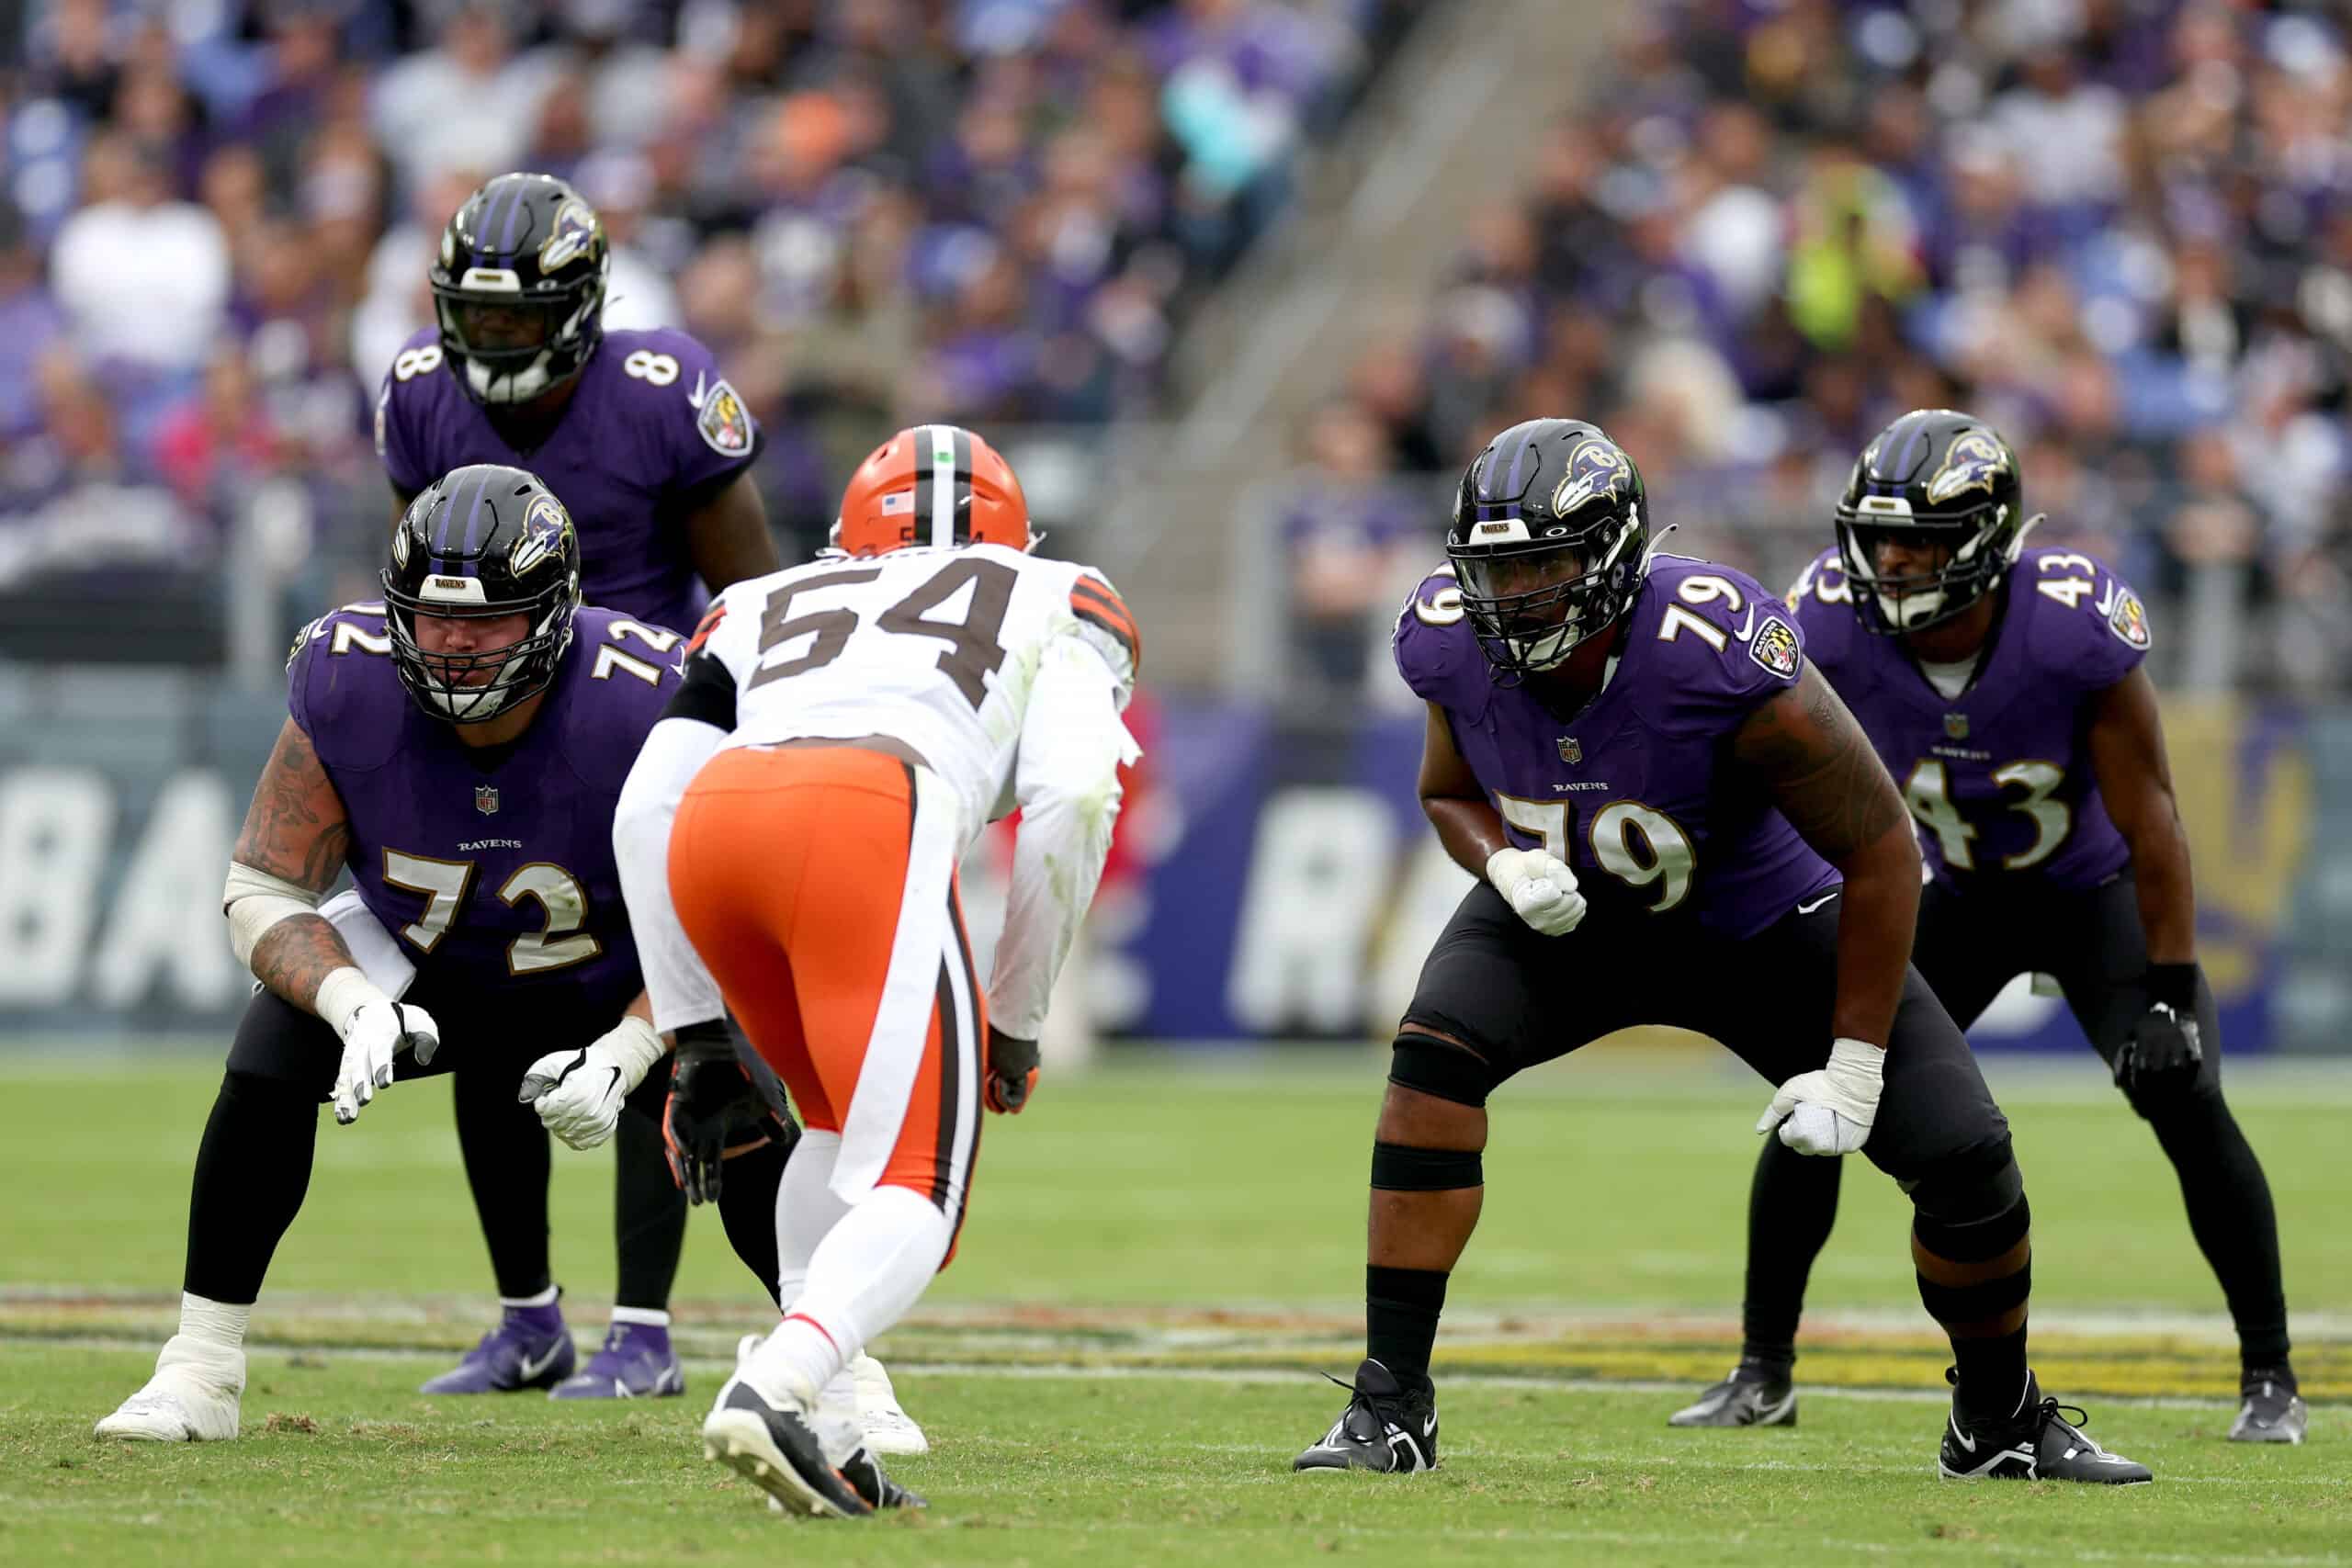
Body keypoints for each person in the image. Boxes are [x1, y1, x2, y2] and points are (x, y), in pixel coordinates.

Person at [1290, 418, 2152, 1484]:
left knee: (1966, 1160)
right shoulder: (1446, 638)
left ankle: (1998, 1419)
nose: (1513, 595)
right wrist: (1499, 867)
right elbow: (1446, 790)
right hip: (1572, 919)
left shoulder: (1710, 645)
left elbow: (1882, 844)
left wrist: (1853, 1065)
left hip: (1755, 925)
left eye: (1544, 565)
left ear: (1609, 558)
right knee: (1427, 1070)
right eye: (1496, 569)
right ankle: (1390, 1409)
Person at [92, 466, 791, 1442]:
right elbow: (262, 885)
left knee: (742, 1093)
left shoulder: (647, 701)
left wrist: (633, 1053)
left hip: (611, 976)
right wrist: (349, 1003)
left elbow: (729, 917)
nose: (456, 643)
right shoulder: (347, 679)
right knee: (265, 1060)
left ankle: (840, 1373)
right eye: (432, 616)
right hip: (433, 971)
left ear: (553, 612)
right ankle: (199, 1368)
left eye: (491, 619)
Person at [369, 170, 904, 1424]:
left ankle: (646, 1326)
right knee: (485, 1008)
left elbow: (754, 597)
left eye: (517, 322)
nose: (491, 345)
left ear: (577, 307)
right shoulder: (417, 392)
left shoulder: (661, 392)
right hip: (497, 731)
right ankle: (528, 1318)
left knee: (668, 1016)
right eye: (477, 321)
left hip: (644, 740)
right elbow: (416, 570)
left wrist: (741, 740)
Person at [1668, 410, 2304, 1445]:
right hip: (1949, 891)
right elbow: (1778, 778)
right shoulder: (1826, 621)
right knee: (1823, 1099)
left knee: (2186, 1103)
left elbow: (2150, 813)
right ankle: (1762, 1369)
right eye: (1878, 540)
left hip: (2084, 890)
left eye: (1917, 540)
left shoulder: (2066, 620)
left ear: (1984, 537)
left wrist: (2172, 988)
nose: (1891, 562)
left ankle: (2270, 1377)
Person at [612, 424, 1141, 1517]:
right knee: (921, 1186)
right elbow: (1077, 796)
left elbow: (645, 803)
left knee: (829, 1131)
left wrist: (694, 1033)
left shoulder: (762, 600)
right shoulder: (1060, 591)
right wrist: (1018, 1014)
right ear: (1013, 533)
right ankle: (780, 1383)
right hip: (866, 816)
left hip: (716, 823)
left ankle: (833, 1429)